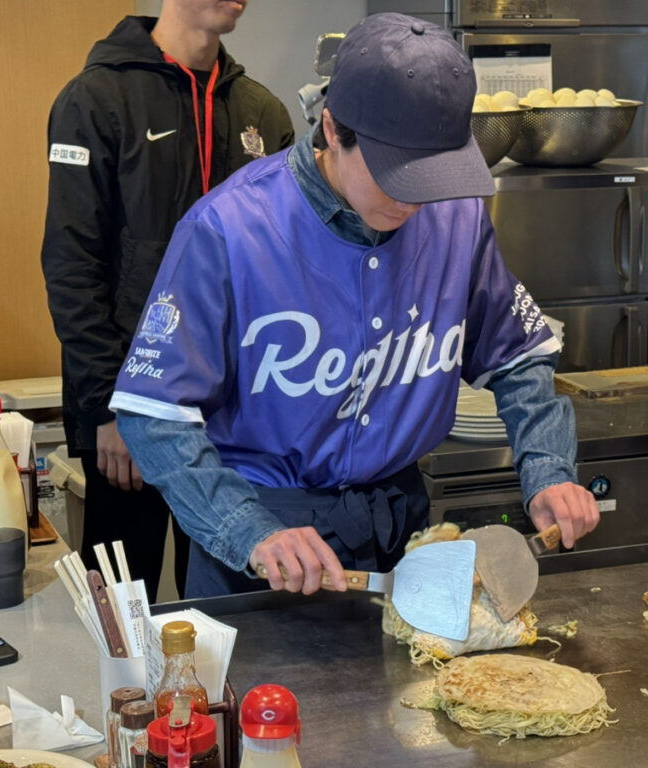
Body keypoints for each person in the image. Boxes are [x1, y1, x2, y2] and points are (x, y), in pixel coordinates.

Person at [109, 12, 601, 599]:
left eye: (434, 176)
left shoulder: (458, 217)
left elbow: (517, 355)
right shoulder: (228, 230)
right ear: (334, 130)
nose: (415, 202)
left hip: (402, 532)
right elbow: (154, 413)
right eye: (396, 175)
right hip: (269, 546)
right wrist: (248, 530)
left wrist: (547, 469)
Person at [41, 0, 294, 602]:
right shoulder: (95, 100)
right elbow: (72, 268)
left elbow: (283, 268)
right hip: (128, 410)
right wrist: (108, 409)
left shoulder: (262, 111)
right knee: (121, 609)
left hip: (235, 420)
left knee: (230, 610)